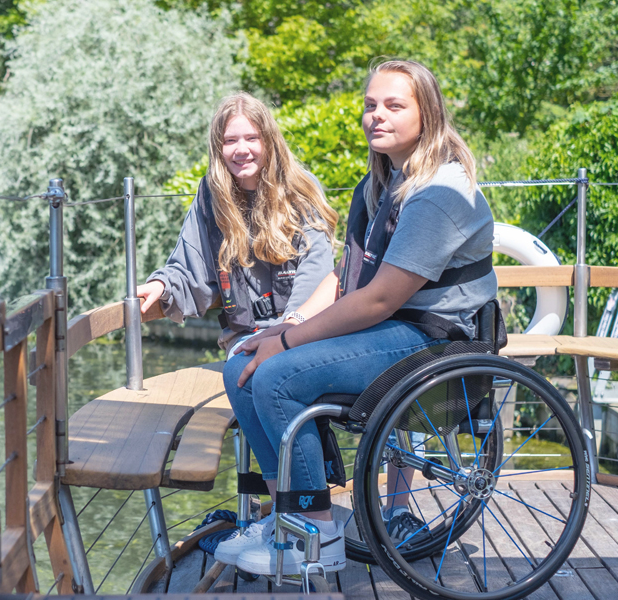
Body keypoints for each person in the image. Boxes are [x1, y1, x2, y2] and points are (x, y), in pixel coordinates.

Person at [219, 59, 498, 578]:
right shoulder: (382, 184)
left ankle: (316, 532)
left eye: (394, 105)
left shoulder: (438, 193)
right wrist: (287, 324)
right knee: (241, 364)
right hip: (393, 331)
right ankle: (287, 515)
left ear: (427, 114)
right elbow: (347, 281)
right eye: (371, 105)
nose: (377, 116)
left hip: (436, 342)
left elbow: (379, 300)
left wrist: (290, 343)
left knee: (276, 376)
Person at [135, 92, 337, 360]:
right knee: (246, 373)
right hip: (245, 337)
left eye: (252, 138)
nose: (241, 150)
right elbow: (190, 265)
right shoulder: (211, 196)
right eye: (230, 140)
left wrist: (288, 331)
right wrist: (163, 285)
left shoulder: (301, 189)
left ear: (269, 141)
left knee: (278, 371)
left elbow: (317, 268)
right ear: (219, 148)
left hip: (303, 329)